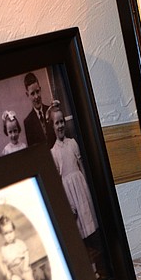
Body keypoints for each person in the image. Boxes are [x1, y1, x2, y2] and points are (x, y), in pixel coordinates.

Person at [48, 102, 97, 239]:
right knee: (80, 227)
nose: (60, 126)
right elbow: (58, 180)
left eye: (62, 121)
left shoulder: (73, 143)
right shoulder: (53, 152)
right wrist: (67, 204)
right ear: (52, 127)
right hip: (70, 193)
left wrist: (88, 188)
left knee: (89, 218)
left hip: (81, 186)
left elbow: (81, 166)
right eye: (57, 123)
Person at [0, 215, 38, 280]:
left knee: (29, 278)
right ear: (2, 235)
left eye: (10, 232)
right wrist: (7, 273)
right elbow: (4, 263)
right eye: (6, 233)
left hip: (22, 265)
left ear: (14, 231)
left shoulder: (20, 243)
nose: (9, 235)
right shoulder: (3, 249)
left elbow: (26, 253)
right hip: (13, 271)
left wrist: (26, 265)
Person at [22, 72, 55, 149]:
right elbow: (33, 150)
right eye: (32, 94)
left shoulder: (51, 111)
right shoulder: (28, 122)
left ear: (40, 89)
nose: (36, 96)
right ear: (27, 95)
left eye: (37, 91)